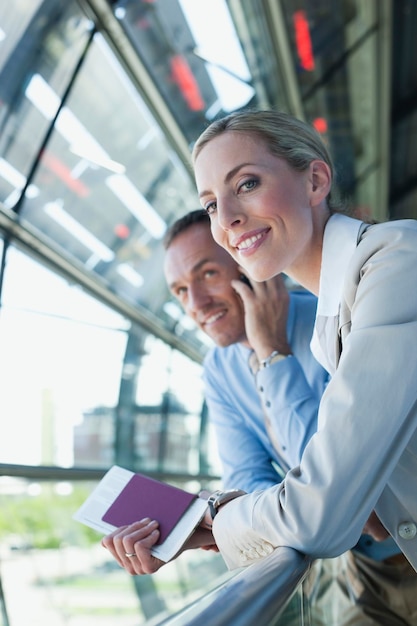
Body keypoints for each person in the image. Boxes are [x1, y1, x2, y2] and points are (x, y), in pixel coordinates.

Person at [103, 207, 417, 624]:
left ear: (248, 262)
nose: (195, 304)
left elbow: (350, 499)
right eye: (180, 290)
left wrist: (271, 353)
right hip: (365, 566)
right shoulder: (219, 369)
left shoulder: (340, 317)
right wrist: (222, 518)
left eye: (207, 275)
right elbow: (251, 481)